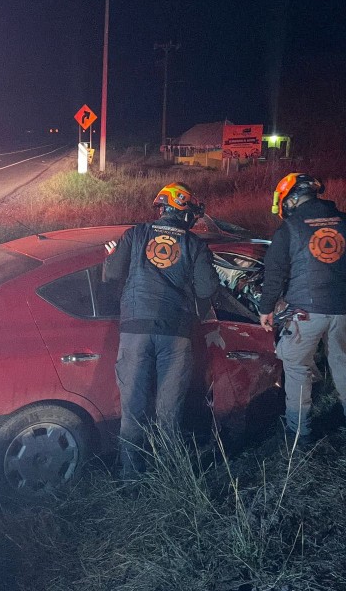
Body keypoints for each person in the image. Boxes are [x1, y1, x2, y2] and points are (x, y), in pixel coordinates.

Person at [103, 182, 219, 475]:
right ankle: (168, 478)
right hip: (175, 333)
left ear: (162, 208)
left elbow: (112, 273)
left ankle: (131, 480)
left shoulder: (136, 234)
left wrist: (111, 256)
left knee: (132, 410)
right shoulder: (195, 244)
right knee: (169, 412)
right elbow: (208, 289)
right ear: (184, 212)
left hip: (135, 331)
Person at [258, 173, 346, 448]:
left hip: (305, 314)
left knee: (297, 367)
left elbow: (274, 274)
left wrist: (266, 309)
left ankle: (300, 433)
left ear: (290, 199)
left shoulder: (289, 228)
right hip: (344, 310)